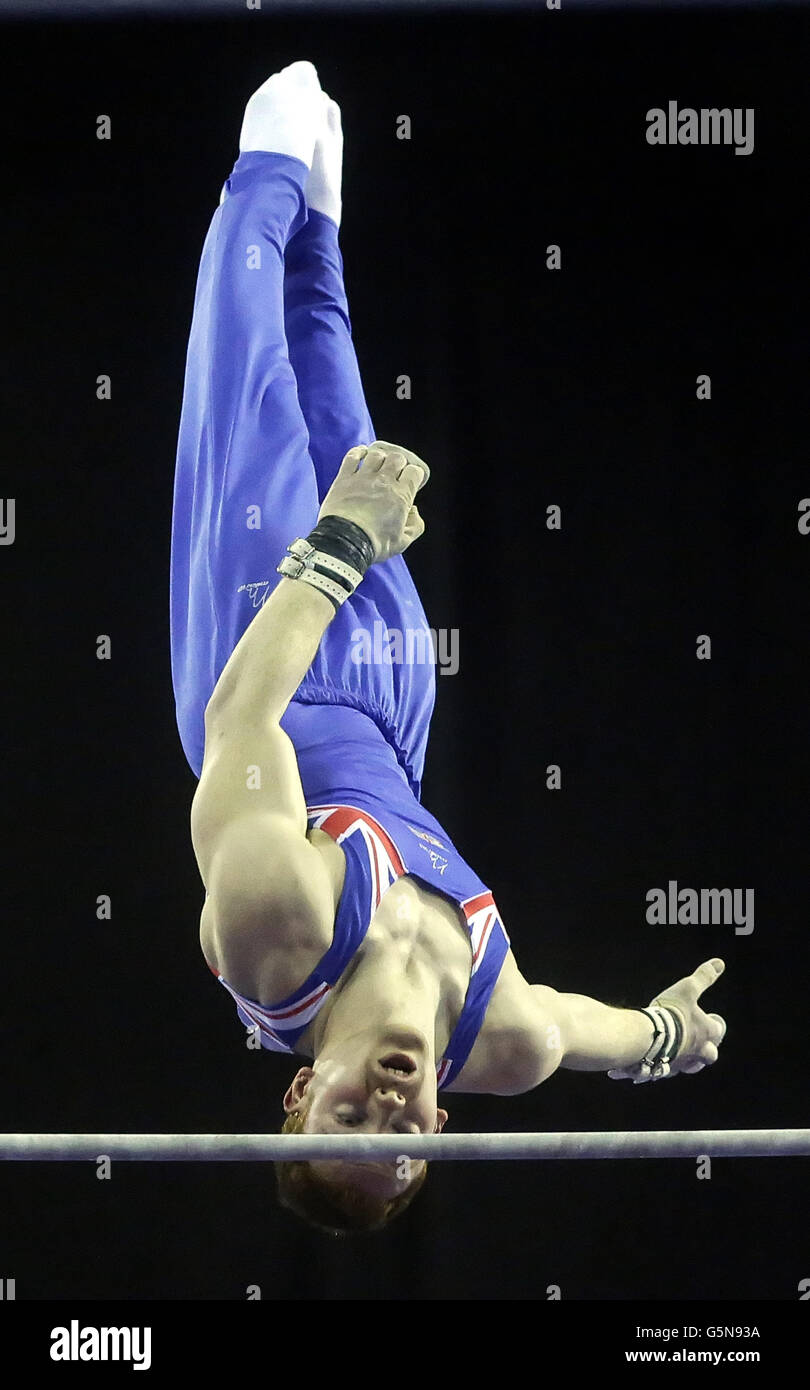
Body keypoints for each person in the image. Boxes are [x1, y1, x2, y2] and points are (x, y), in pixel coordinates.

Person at [170, 61, 727, 1235]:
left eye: (349, 1131)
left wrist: (328, 554)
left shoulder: (278, 932)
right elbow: (591, 1028)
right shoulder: (503, 1038)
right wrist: (666, 1037)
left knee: (249, 389)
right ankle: (321, 218)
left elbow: (239, 725)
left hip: (262, 670)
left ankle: (265, 161)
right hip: (391, 706)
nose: (394, 1118)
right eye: (410, 1156)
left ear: (295, 1094)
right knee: (336, 401)